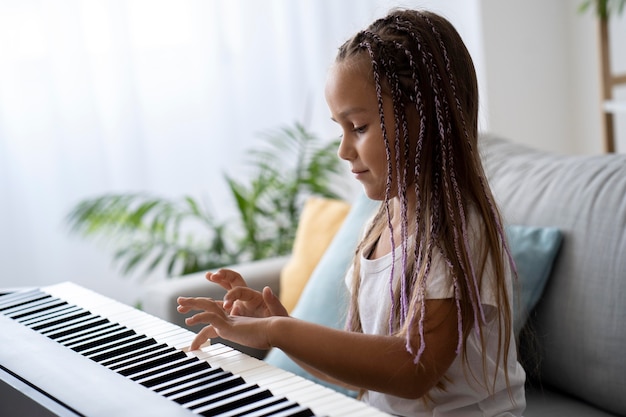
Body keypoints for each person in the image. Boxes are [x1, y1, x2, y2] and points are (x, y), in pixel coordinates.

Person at [177, 8, 526, 416]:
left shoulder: (457, 231)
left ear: (426, 120)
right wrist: (282, 332)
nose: (343, 150)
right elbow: (369, 372)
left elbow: (413, 370)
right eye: (340, 129)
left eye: (358, 127)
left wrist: (280, 330)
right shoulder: (380, 226)